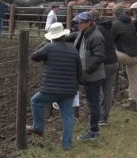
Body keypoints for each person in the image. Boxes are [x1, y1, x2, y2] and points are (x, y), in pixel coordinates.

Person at [27, 22, 82, 150]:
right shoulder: (73, 50)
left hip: (50, 89)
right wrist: (75, 86)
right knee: (68, 116)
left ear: (52, 36)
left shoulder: (48, 48)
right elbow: (80, 71)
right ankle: (67, 144)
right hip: (69, 89)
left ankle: (38, 127)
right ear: (64, 35)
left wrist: (44, 44)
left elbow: (34, 57)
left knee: (35, 101)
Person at [71, 12, 106, 140]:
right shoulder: (84, 34)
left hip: (93, 77)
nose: (78, 25)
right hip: (89, 76)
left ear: (89, 22)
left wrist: (86, 71)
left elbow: (99, 57)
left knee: (93, 103)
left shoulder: (95, 37)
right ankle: (93, 128)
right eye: (78, 22)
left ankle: (93, 131)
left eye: (81, 22)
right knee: (93, 102)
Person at [111, 5, 137, 111]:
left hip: (128, 56)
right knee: (134, 80)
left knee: (107, 51)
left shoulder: (115, 24)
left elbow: (109, 39)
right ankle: (132, 102)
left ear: (114, 14)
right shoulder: (130, 23)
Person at [89, 9, 118, 125]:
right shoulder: (108, 27)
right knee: (107, 91)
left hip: (103, 63)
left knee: (96, 90)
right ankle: (104, 117)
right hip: (113, 61)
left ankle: (97, 116)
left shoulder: (95, 30)